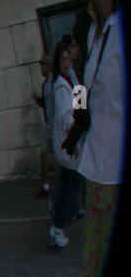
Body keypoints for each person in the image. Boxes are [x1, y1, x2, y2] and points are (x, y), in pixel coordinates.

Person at [66, 0, 123, 277]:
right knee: (91, 270)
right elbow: (86, 90)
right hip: (95, 167)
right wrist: (76, 120)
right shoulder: (92, 37)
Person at [48, 40, 82, 248]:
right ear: (58, 62)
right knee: (73, 186)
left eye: (69, 58)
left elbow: (79, 104)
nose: (67, 63)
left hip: (67, 142)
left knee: (67, 183)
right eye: (64, 59)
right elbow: (65, 116)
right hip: (67, 143)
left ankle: (57, 221)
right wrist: (74, 140)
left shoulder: (68, 80)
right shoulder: (60, 85)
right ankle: (58, 226)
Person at [35, 55, 54, 198]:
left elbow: (79, 91)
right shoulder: (46, 84)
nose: (42, 69)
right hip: (50, 124)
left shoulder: (57, 81)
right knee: (44, 154)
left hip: (59, 125)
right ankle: (46, 185)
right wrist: (37, 99)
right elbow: (45, 104)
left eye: (44, 66)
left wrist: (78, 116)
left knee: (65, 157)